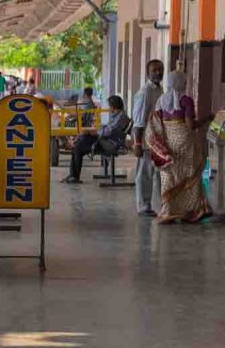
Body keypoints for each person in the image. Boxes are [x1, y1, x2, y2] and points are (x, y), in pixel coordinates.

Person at [145, 71, 214, 224]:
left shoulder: (161, 100)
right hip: (185, 142)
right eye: (184, 81)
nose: (185, 83)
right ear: (180, 83)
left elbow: (157, 123)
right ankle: (190, 212)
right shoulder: (186, 100)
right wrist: (207, 119)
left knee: (169, 176)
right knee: (190, 174)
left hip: (169, 142)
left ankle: (169, 212)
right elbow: (191, 125)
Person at [62, 95, 130, 184]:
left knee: (78, 147)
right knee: (79, 144)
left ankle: (74, 176)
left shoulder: (121, 117)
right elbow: (107, 128)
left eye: (110, 106)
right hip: (105, 140)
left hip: (110, 144)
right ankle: (73, 175)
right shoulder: (117, 115)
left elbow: (109, 131)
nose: (109, 108)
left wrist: (94, 132)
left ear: (113, 106)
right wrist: (94, 130)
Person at [132, 59, 165, 217]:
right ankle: (143, 205)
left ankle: (157, 204)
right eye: (154, 70)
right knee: (144, 173)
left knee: (156, 172)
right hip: (145, 140)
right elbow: (139, 120)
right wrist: (137, 143)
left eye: (160, 70)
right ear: (148, 73)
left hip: (156, 139)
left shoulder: (159, 89)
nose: (158, 72)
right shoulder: (145, 92)